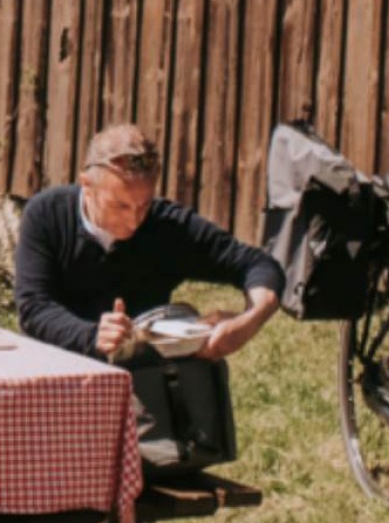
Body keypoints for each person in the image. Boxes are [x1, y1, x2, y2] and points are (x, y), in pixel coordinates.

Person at [15, 124, 284, 361]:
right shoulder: (47, 215)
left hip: (143, 376)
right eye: (120, 206)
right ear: (87, 185)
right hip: (59, 366)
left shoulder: (168, 227)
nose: (134, 221)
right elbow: (33, 307)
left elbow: (258, 265)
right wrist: (91, 335)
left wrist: (249, 320)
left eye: (144, 205)